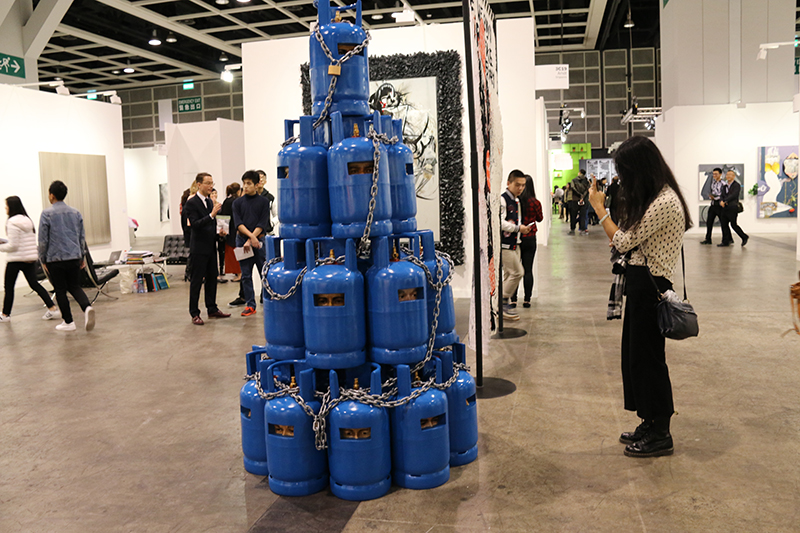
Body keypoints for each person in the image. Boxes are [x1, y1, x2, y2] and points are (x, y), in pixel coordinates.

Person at [587, 136, 692, 458]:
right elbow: (629, 239)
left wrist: (599, 208)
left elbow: (622, 240)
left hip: (651, 287)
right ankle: (649, 420)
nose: (623, 178)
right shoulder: (655, 197)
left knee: (649, 360)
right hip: (641, 283)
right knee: (636, 358)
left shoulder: (664, 201)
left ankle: (661, 433)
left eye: (625, 171)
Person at [38, 181, 95, 332]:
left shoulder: (46, 214)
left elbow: (43, 240)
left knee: (60, 290)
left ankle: (68, 322)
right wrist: (81, 256)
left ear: (51, 195)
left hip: (55, 258)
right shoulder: (76, 213)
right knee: (75, 286)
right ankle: (87, 307)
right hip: (74, 256)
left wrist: (42, 258)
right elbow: (81, 237)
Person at [0, 196, 60, 323]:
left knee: (9, 287)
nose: (5, 208)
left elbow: (13, 246)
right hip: (29, 259)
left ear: (11, 207)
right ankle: (53, 308)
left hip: (16, 260)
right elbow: (21, 242)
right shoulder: (27, 220)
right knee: (34, 284)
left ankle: (5, 315)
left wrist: (1, 247)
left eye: (6, 205)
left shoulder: (11, 222)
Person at [183, 173, 231, 325]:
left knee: (212, 279)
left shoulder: (210, 202)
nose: (211, 186)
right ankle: (194, 313)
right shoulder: (191, 203)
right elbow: (195, 224)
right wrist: (211, 215)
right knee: (196, 281)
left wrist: (219, 232)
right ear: (199, 184)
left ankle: (212, 308)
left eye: (212, 183)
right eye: (208, 183)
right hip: (198, 248)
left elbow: (211, 224)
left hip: (211, 247)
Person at [233, 170, 272, 317]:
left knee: (264, 272)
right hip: (242, 241)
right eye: (244, 183)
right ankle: (250, 304)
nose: (245, 186)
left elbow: (262, 223)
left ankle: (268, 300)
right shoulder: (237, 203)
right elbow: (238, 223)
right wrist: (249, 238)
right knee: (246, 274)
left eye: (249, 183)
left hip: (258, 240)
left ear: (257, 185)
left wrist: (252, 239)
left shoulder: (264, 202)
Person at [500, 169, 530, 320]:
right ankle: (501, 303)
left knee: (509, 275)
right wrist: (518, 228)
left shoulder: (516, 200)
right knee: (518, 272)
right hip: (505, 245)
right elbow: (499, 222)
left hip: (514, 243)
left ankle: (500, 307)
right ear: (508, 183)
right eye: (517, 185)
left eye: (523, 185)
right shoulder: (503, 200)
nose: (521, 188)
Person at [511, 175, 543, 309]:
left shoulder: (516, 201)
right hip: (530, 238)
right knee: (528, 269)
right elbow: (540, 218)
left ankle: (513, 299)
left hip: (517, 238)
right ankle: (527, 299)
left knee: (515, 270)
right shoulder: (535, 202)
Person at [718, 170, 749, 247]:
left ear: (734, 176)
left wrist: (725, 201)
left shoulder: (736, 185)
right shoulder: (724, 186)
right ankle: (725, 241)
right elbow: (721, 195)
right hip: (724, 208)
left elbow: (733, 195)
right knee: (724, 225)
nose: (728, 176)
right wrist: (721, 201)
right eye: (727, 175)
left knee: (733, 224)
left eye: (730, 175)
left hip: (732, 208)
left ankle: (744, 236)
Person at [700, 168, 724, 245]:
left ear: (720, 174)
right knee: (709, 222)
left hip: (720, 205)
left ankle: (726, 240)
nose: (714, 175)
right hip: (713, 204)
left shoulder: (723, 184)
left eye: (716, 174)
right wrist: (711, 196)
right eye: (713, 174)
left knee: (723, 223)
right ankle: (708, 239)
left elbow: (723, 195)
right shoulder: (713, 183)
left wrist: (716, 197)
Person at [255, 170, 278, 235]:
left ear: (265, 181)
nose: (260, 180)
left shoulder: (270, 197)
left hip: (267, 233)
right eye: (259, 178)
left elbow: (277, 215)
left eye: (262, 178)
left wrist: (271, 223)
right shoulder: (249, 197)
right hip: (253, 233)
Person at [568, 169, 590, 235]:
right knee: (583, 215)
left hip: (575, 199)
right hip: (583, 200)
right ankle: (582, 229)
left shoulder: (574, 180)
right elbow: (587, 190)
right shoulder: (586, 181)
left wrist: (579, 195)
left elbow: (573, 188)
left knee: (573, 215)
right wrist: (582, 197)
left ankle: (572, 229)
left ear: (579, 173)